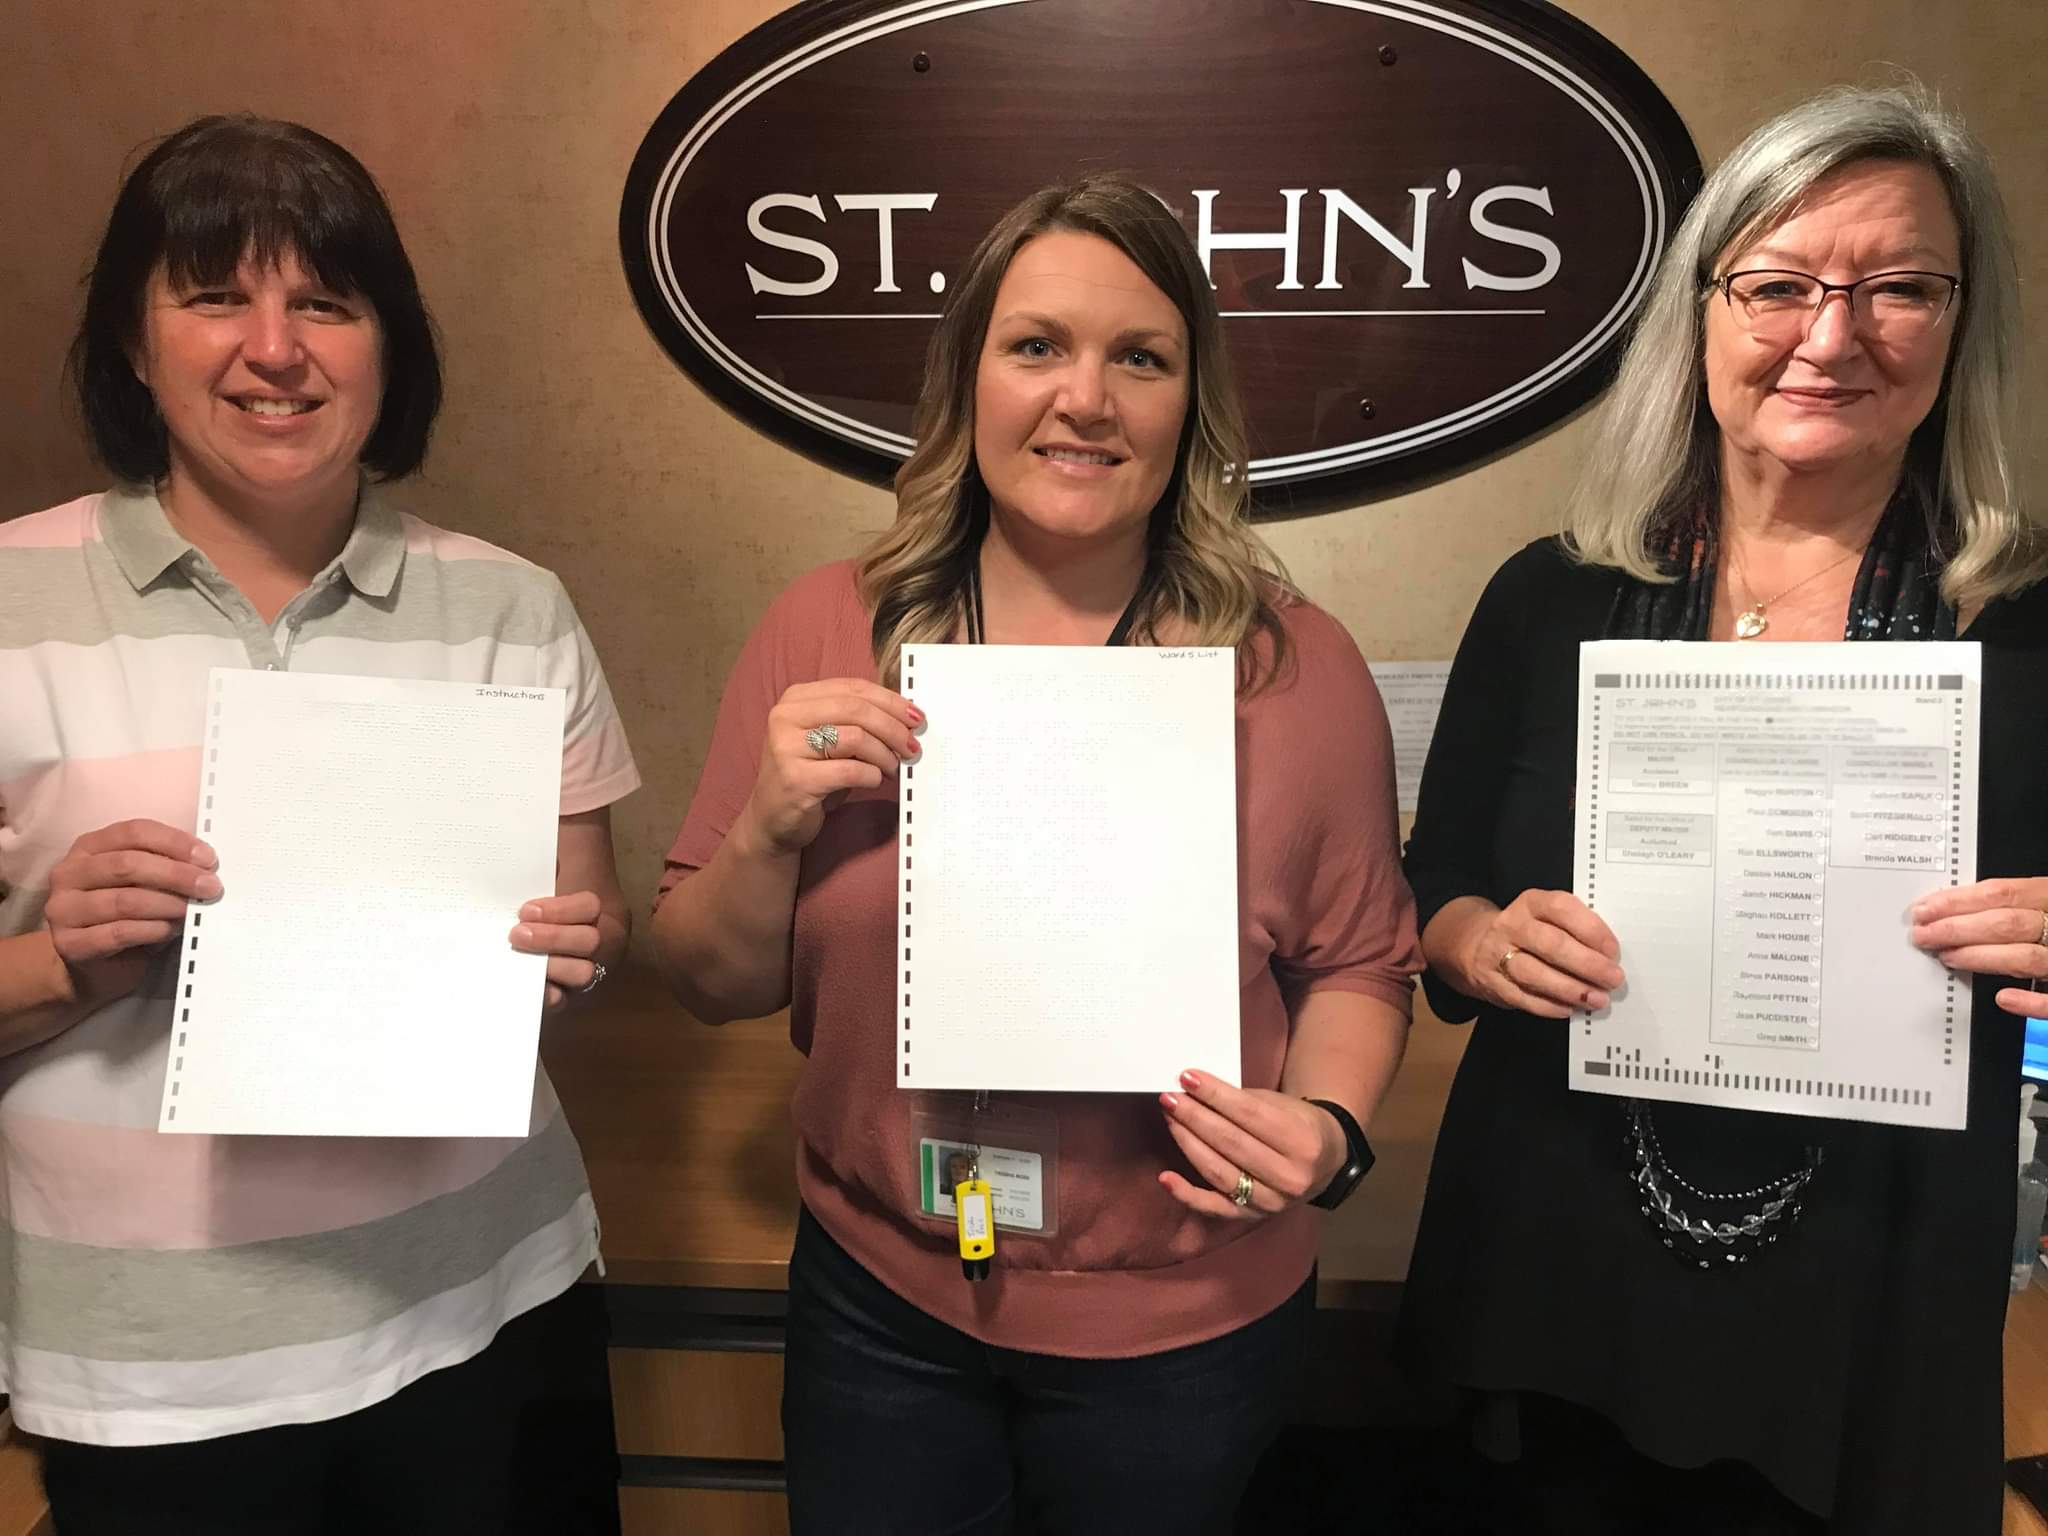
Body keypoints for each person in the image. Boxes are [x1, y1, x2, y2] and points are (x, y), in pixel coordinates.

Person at [653, 173, 1420, 1535]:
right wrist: (772, 821)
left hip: (1185, 1324)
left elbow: (1361, 960)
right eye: (1037, 347)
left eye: (1142, 357)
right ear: (968, 385)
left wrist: (1333, 1131)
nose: (1088, 399)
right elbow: (710, 980)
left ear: (1193, 403)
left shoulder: (1293, 670)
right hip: (879, 1297)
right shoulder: (829, 630)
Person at [1398, 84, 2048, 1535]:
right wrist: (1472, 940)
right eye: (1781, 285)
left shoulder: (2031, 626)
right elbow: (1427, 887)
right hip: (1557, 1252)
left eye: (1899, 288)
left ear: (1964, 319)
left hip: (1875, 1284)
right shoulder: (1553, 593)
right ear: (1702, 309)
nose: (1832, 336)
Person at [0, 115, 639, 1533]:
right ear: (131, 336)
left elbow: (589, 946)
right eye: (216, 293)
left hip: (489, 1299)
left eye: (325, 305)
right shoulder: (8, 599)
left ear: (386, 347)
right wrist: (64, 961)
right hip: (156, 1364)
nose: (274, 348)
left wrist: (569, 955)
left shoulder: (510, 603)